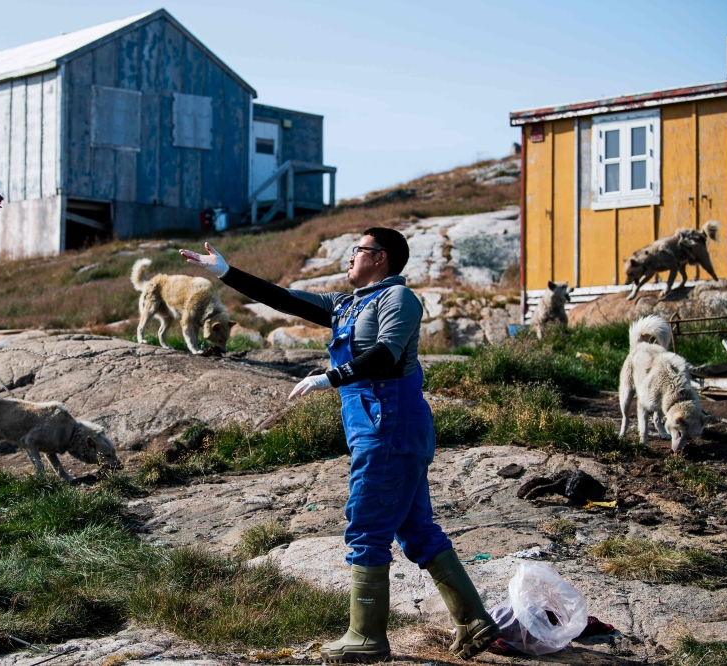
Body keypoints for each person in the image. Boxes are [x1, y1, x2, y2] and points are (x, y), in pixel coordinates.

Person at [180, 228, 500, 662]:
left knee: (366, 528)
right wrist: (226, 273)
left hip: (390, 427)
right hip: (376, 428)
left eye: (358, 250)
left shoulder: (399, 300)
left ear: (381, 257)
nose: (350, 257)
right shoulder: (346, 304)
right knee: (416, 530)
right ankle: (474, 621)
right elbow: (286, 299)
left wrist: (327, 377)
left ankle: (366, 638)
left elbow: (387, 353)